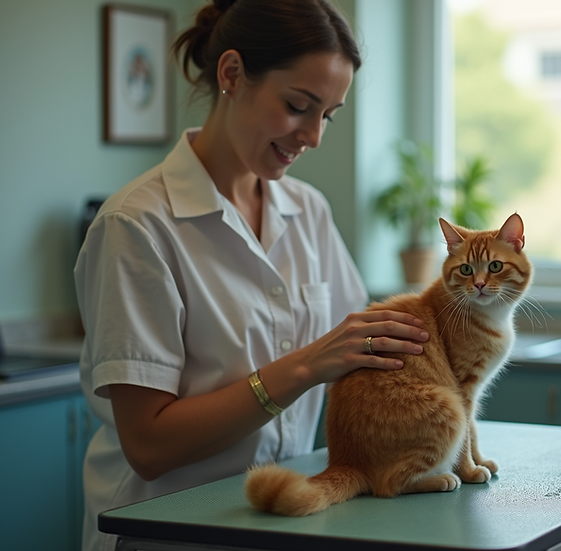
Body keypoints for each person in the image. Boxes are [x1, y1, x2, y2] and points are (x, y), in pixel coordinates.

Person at [74, 1, 428, 549]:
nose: (313, 135)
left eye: (328, 114)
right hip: (166, 530)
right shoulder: (138, 225)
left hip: (280, 516)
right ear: (232, 74)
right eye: (298, 106)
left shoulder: (308, 210)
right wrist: (305, 365)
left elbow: (358, 349)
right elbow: (148, 446)